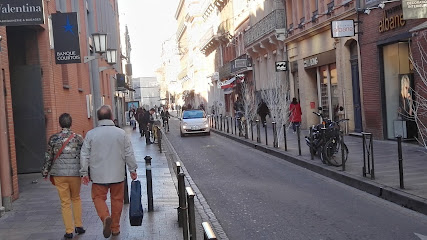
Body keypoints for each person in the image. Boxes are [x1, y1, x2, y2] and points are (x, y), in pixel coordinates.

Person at [80, 105, 138, 238]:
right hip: (117, 174)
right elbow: (128, 152)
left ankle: (105, 216)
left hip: (98, 175)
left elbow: (84, 154)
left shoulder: (91, 134)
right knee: (117, 200)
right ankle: (115, 228)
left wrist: (84, 172)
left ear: (98, 118)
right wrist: (132, 169)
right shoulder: (121, 133)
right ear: (112, 117)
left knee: (97, 197)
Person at [41, 113, 86, 239]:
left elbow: (48, 156)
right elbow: (84, 156)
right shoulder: (78, 138)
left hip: (59, 175)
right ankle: (79, 225)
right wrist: (86, 172)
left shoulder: (53, 139)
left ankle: (69, 230)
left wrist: (45, 172)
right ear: (70, 123)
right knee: (76, 198)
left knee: (65, 202)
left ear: (60, 124)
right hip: (75, 174)